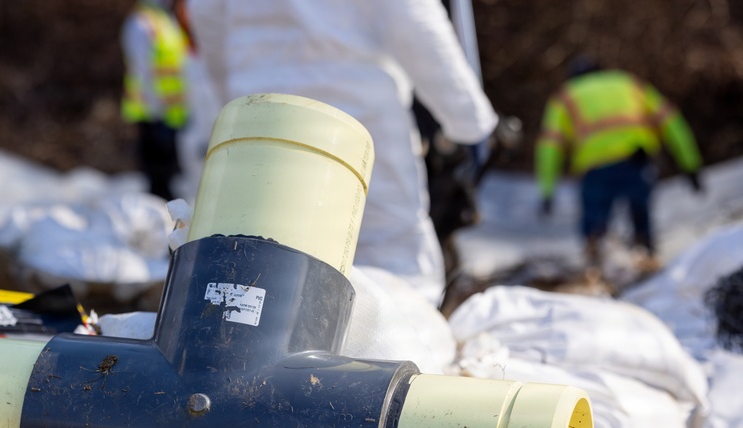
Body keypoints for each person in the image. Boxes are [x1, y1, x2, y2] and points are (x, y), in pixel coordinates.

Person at [185, 0, 498, 306]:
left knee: (264, 247)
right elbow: (413, 20)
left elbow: (208, 19)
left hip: (261, 105)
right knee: (388, 253)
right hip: (352, 107)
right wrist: (470, 122)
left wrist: (238, 105)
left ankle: (260, 345)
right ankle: (388, 344)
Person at [536, 56, 704, 270]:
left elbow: (549, 146)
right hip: (636, 160)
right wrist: (690, 164)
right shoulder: (628, 82)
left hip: (595, 168)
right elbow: (672, 121)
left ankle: (597, 269)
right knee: (640, 217)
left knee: (595, 226)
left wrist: (547, 190)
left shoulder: (565, 96)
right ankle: (646, 261)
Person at [120, 0, 191, 200]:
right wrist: (155, 107)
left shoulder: (165, 20)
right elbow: (142, 69)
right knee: (157, 170)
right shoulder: (140, 23)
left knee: (170, 168)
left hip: (172, 110)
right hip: (153, 110)